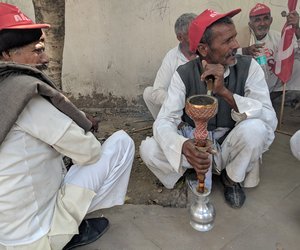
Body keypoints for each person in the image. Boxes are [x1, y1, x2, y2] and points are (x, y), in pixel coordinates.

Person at [0, 3, 134, 250]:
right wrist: (80, 129)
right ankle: (66, 230)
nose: (45, 58)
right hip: (33, 239)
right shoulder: (23, 96)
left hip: (6, 233)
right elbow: (89, 152)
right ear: (7, 55)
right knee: (121, 143)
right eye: (37, 50)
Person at [140, 8, 277, 209]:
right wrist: (183, 146)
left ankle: (232, 178)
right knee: (149, 149)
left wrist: (225, 93)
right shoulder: (184, 73)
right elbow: (165, 120)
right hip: (197, 145)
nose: (236, 45)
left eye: (234, 38)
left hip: (230, 144)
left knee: (256, 129)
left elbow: (268, 118)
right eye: (227, 41)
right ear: (204, 49)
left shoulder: (249, 67)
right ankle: (193, 169)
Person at [239, 3, 300, 104]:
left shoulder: (278, 37)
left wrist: (296, 28)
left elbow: (296, 52)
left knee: (297, 64)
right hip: (249, 89)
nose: (262, 23)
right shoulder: (242, 37)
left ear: (271, 21)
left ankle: (270, 99)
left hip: (273, 85)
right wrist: (245, 51)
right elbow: (229, 55)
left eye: (266, 18)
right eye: (257, 20)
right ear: (250, 24)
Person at [143, 13, 197, 119]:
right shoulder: (172, 56)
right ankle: (169, 126)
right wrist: (181, 101)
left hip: (203, 106)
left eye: (199, 31)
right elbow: (157, 92)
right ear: (180, 37)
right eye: (193, 33)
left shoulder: (206, 50)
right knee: (148, 93)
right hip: (180, 107)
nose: (199, 36)